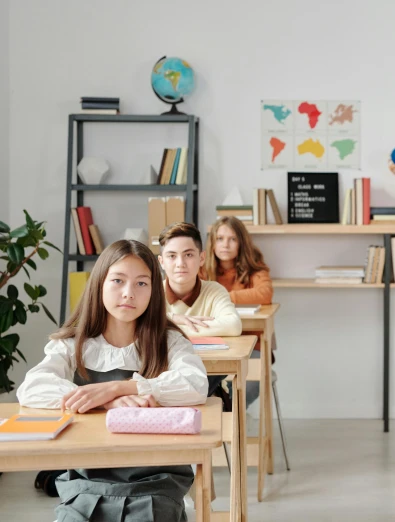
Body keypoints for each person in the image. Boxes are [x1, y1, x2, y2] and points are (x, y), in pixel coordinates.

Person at [17, 240, 208, 521]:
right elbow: (32, 388)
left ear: (154, 291)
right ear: (99, 284)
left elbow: (195, 384)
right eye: (118, 280)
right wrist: (108, 402)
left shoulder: (169, 341)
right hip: (87, 482)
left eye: (142, 283)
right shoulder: (75, 343)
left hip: (156, 482)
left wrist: (121, 387)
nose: (129, 293)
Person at [158, 222, 242, 406]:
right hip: (159, 377)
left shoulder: (214, 291)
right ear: (161, 261)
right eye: (172, 256)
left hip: (207, 379)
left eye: (188, 255)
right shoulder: (150, 292)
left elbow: (233, 325)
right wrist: (172, 319)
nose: (180, 264)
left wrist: (167, 325)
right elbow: (139, 327)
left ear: (202, 258)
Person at [202, 216, 273, 406]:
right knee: (199, 383)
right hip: (213, 343)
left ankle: (231, 420)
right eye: (220, 238)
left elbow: (264, 293)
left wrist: (224, 297)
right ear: (212, 243)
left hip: (251, 343)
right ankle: (222, 421)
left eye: (232, 239)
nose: (226, 244)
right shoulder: (203, 270)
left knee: (248, 387)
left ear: (241, 242)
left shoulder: (254, 265)